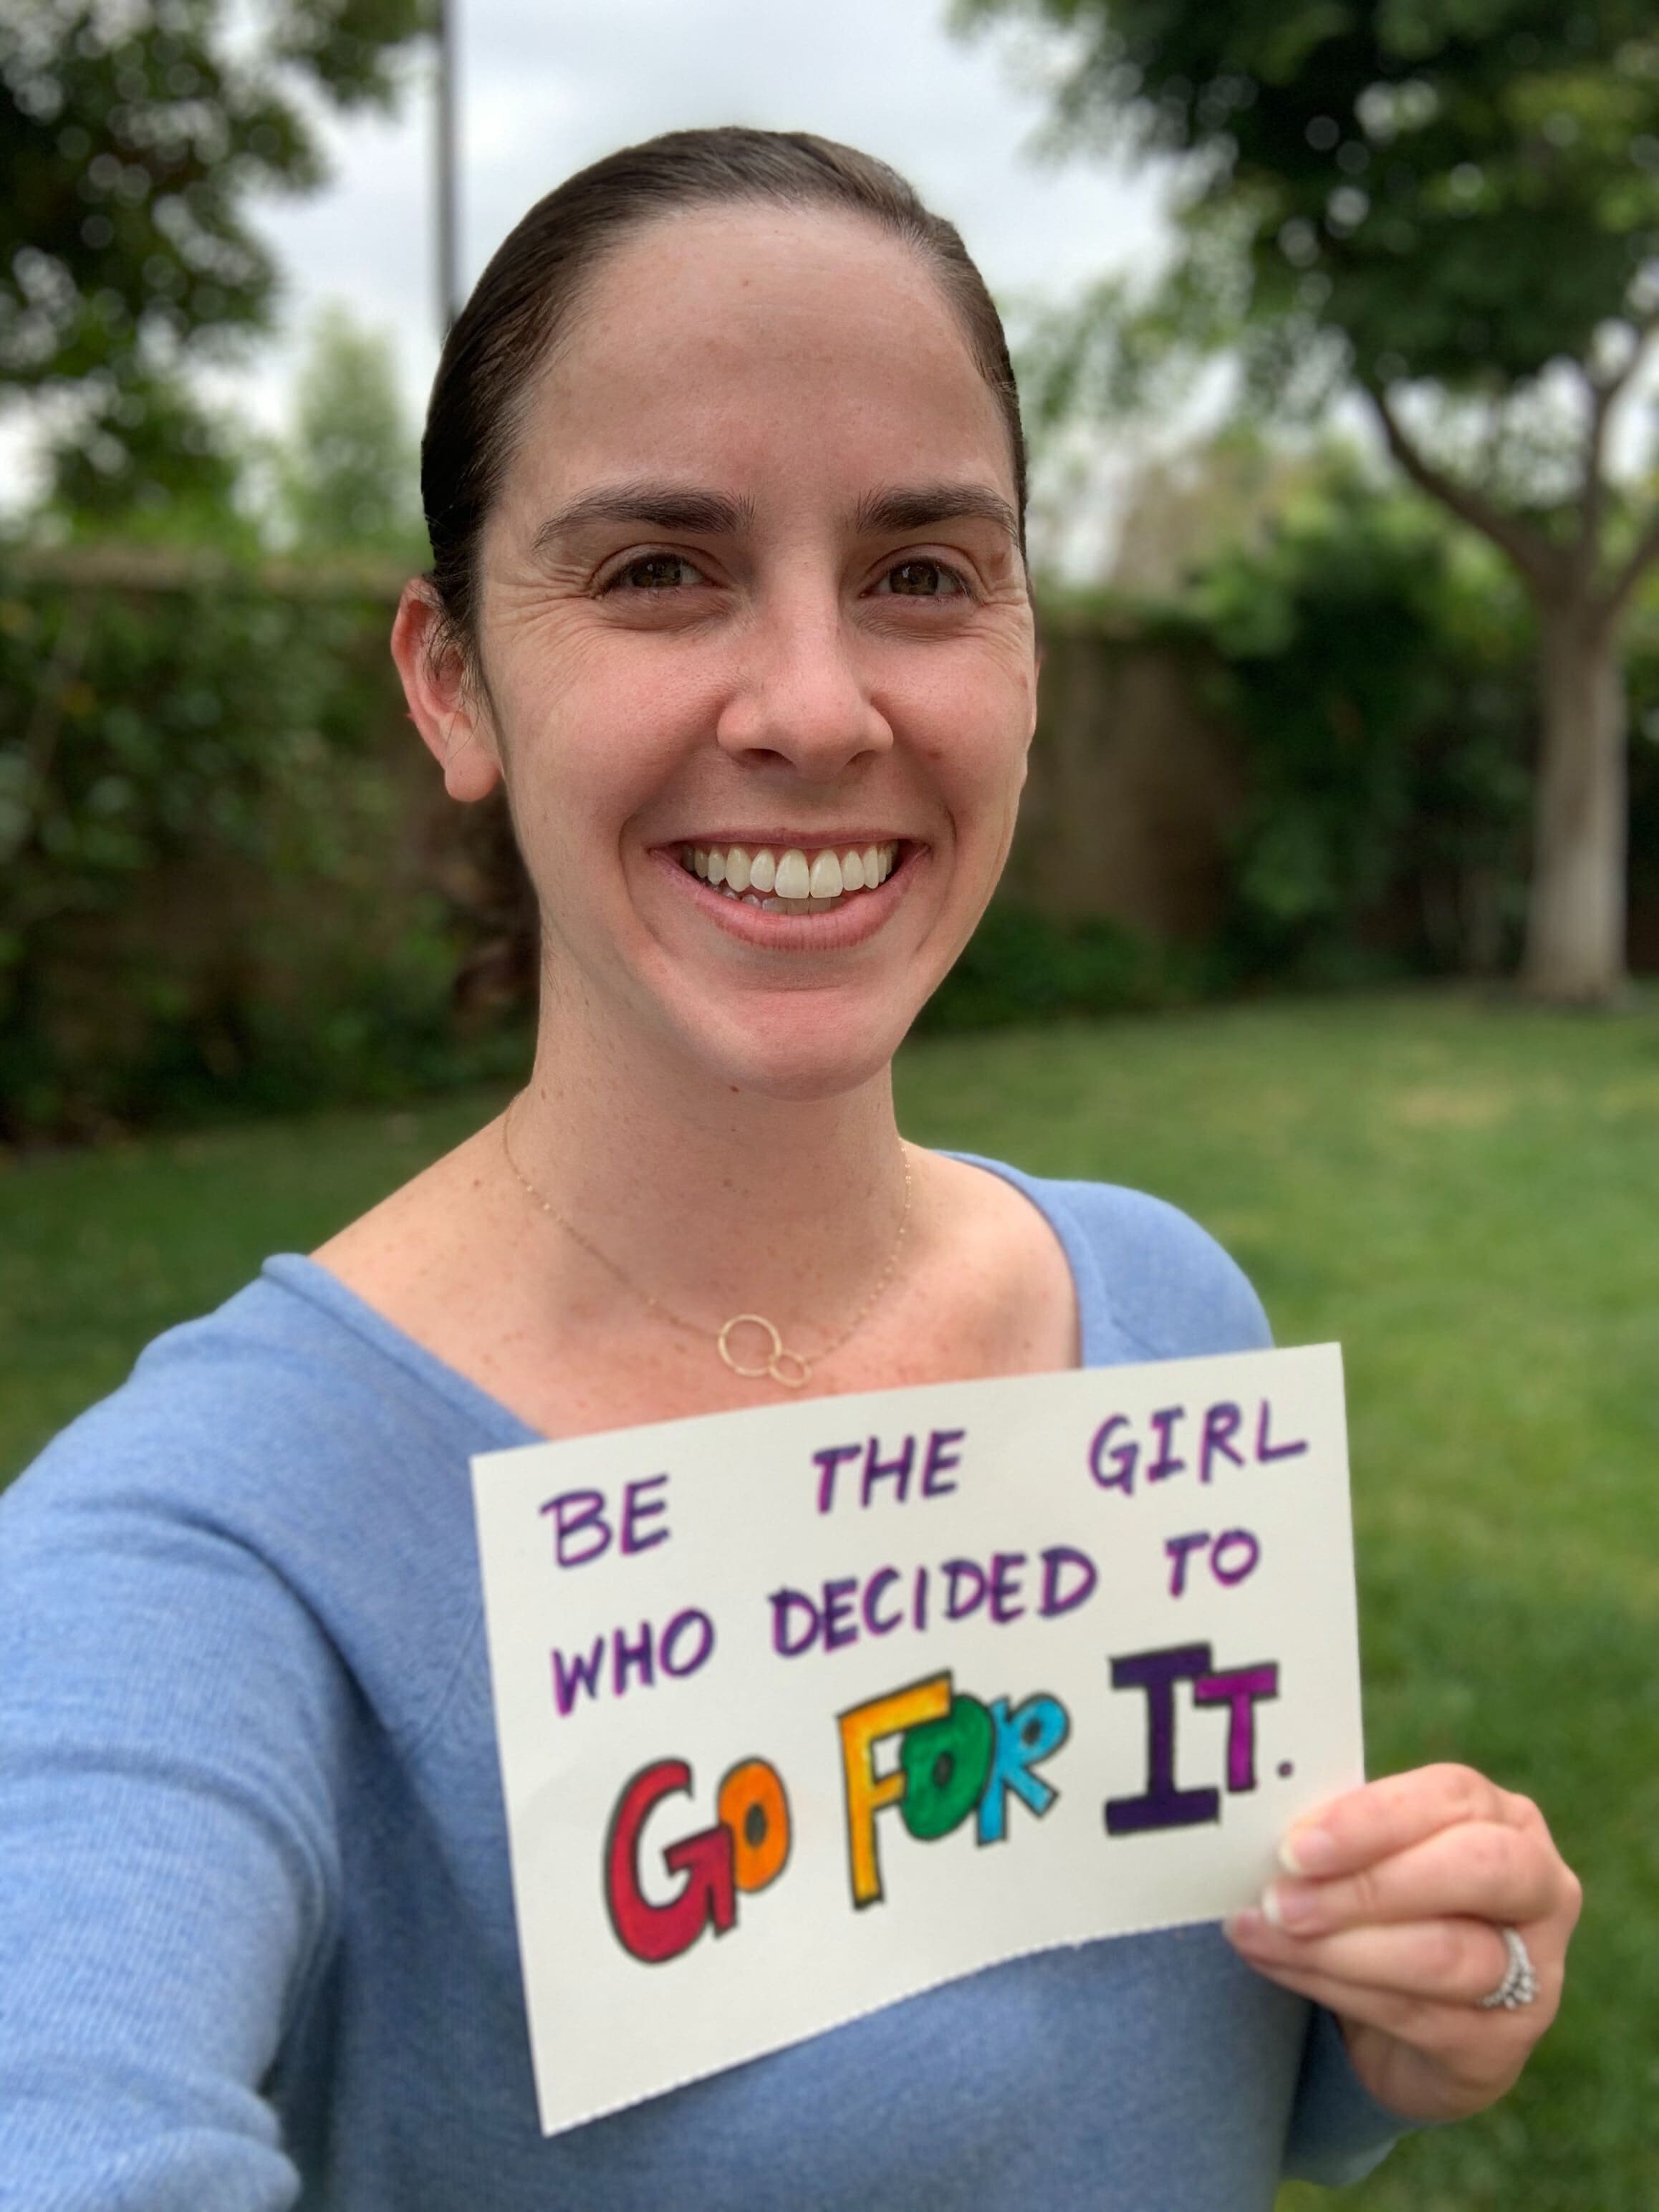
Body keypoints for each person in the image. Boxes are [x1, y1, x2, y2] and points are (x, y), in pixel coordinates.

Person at [0, 129, 1579, 2211]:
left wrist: (1400, 2004)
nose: (820, 708)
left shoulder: (1159, 1311)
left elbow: (1167, 2072)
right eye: (659, 567)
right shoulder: (194, 1546)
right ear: (451, 680)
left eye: (924, 573)